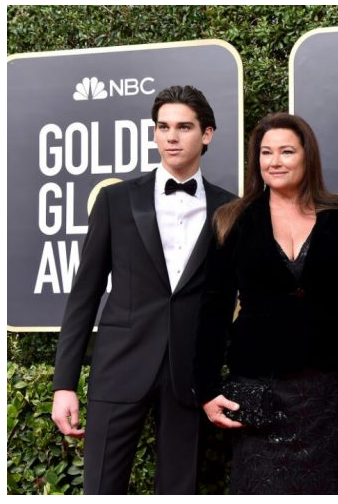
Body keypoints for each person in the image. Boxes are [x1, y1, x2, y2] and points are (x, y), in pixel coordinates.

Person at [51, 85, 235, 494]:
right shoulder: (115, 200)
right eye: (162, 127)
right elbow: (84, 295)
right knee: (101, 489)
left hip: (189, 375)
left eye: (184, 127)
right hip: (119, 366)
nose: (171, 137)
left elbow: (228, 303)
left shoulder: (230, 208)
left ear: (206, 134)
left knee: (179, 491)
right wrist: (64, 384)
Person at [193, 112, 338, 494]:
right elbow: (214, 309)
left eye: (286, 151)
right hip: (259, 391)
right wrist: (206, 388)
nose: (274, 161)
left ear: (307, 156)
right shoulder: (231, 219)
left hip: (330, 392)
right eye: (266, 153)